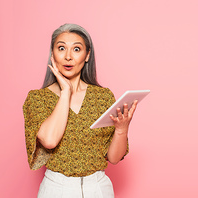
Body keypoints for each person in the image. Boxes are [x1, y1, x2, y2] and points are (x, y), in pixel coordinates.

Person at [23, 24, 138, 198]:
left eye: (77, 49)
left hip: (99, 188)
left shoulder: (103, 96)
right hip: (57, 189)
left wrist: (121, 129)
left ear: (87, 55)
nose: (68, 56)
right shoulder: (37, 98)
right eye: (61, 48)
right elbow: (49, 140)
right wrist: (65, 92)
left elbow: (114, 158)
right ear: (52, 54)